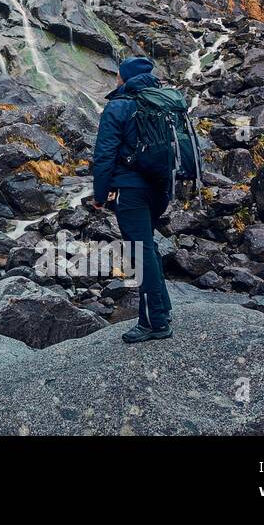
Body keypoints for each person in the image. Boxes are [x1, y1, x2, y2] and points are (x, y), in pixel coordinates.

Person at [92, 56, 173, 342]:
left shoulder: (119, 106)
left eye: (118, 74)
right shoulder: (163, 102)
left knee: (140, 252)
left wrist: (100, 194)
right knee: (148, 247)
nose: (115, 78)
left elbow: (104, 154)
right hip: (161, 189)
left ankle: (154, 323)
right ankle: (162, 307)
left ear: (123, 78)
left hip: (131, 190)